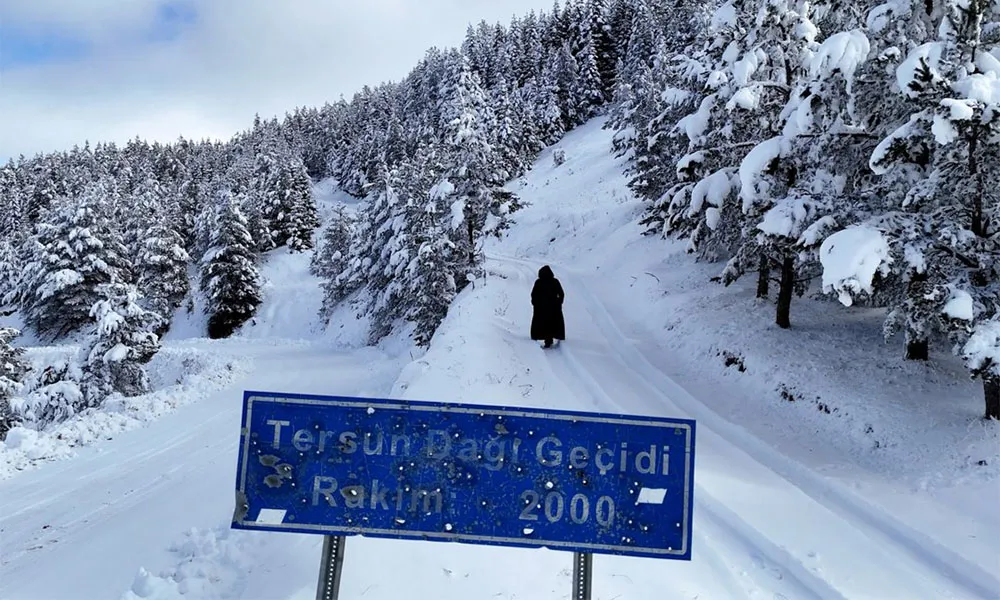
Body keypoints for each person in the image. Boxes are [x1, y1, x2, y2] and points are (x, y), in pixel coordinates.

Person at [530, 265, 565, 348]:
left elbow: (534, 295)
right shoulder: (555, 281)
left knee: (543, 324)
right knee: (552, 324)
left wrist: (535, 303)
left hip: (541, 308)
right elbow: (561, 294)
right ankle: (549, 340)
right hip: (554, 308)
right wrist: (559, 303)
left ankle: (546, 340)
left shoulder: (539, 282)